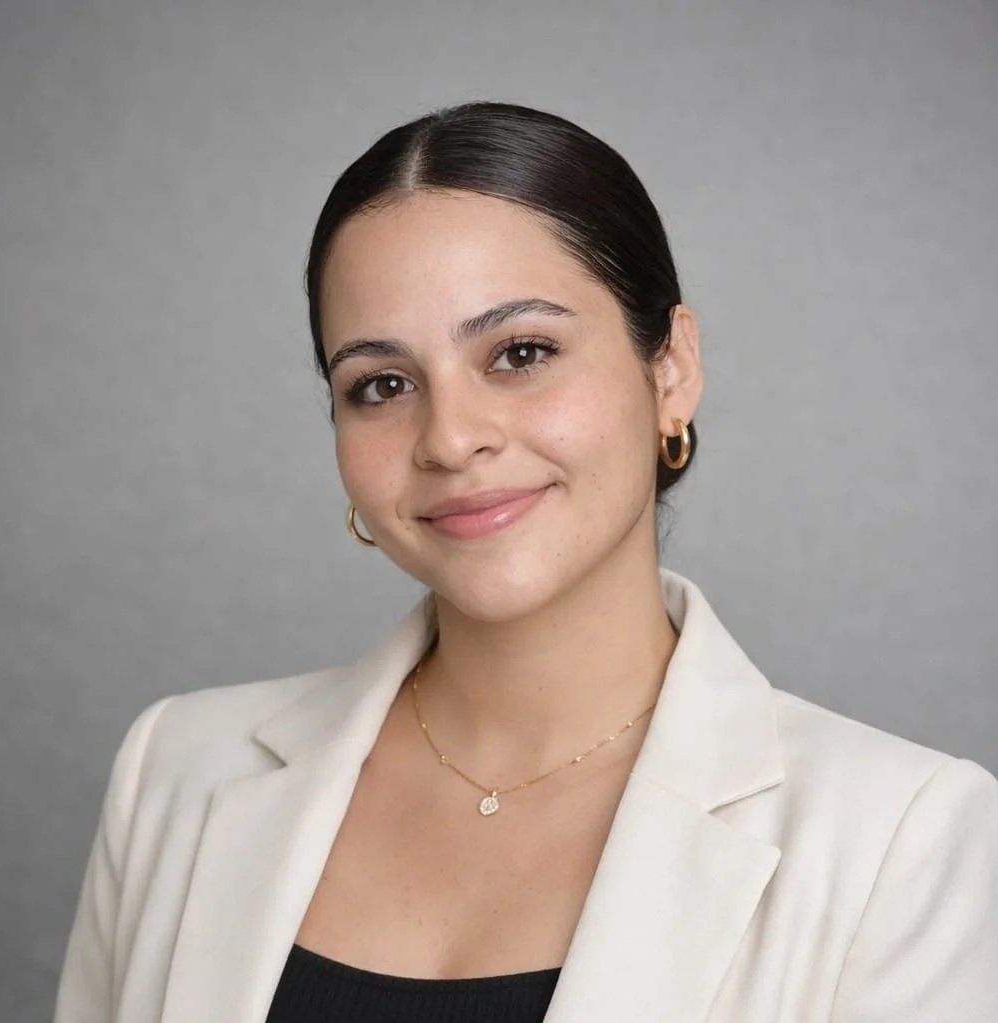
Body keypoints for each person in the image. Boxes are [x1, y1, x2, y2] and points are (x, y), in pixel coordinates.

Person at [53, 101, 998, 1023]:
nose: (451, 438)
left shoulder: (901, 837)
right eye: (380, 384)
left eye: (520, 351)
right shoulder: (174, 770)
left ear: (670, 369)